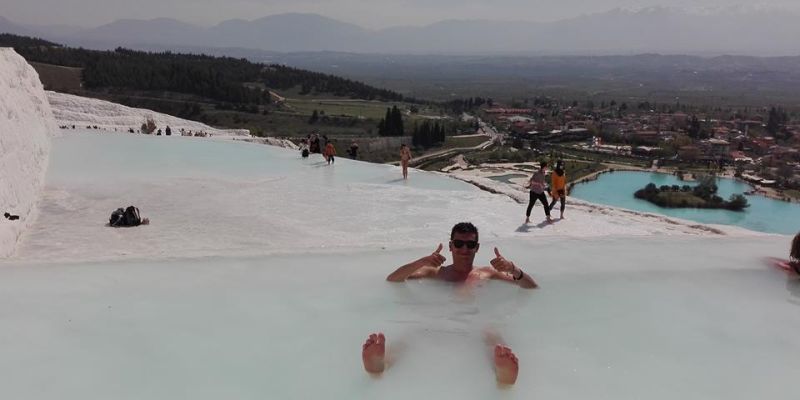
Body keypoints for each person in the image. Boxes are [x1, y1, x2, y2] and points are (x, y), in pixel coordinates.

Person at [363, 222, 537, 385]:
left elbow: (531, 287)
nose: (464, 249)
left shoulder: (488, 273)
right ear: (451, 246)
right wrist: (422, 262)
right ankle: (381, 364)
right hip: (437, 321)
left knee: (491, 334)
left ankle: (502, 374)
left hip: (474, 322)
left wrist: (512, 269)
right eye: (459, 243)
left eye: (470, 245)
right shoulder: (434, 272)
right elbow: (393, 279)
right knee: (411, 334)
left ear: (476, 248)